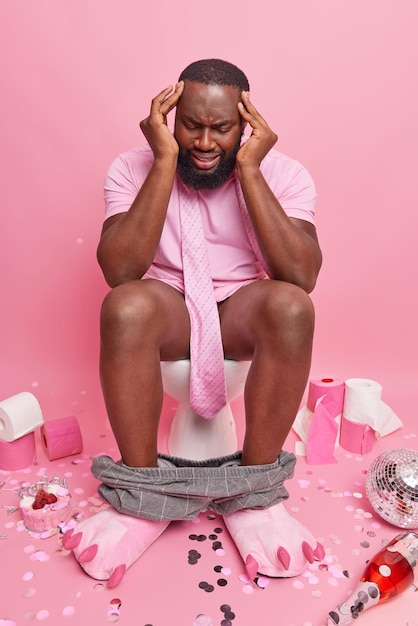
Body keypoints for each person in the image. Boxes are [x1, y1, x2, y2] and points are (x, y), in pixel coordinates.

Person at [63, 59, 324, 587]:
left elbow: (300, 274)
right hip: (170, 304)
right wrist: (163, 163)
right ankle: (140, 497)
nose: (204, 141)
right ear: (170, 118)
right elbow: (120, 270)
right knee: (125, 306)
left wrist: (249, 169)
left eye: (221, 128)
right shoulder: (132, 166)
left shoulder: (286, 173)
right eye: (191, 125)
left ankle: (252, 498)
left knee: (292, 307)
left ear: (246, 123)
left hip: (239, 306)